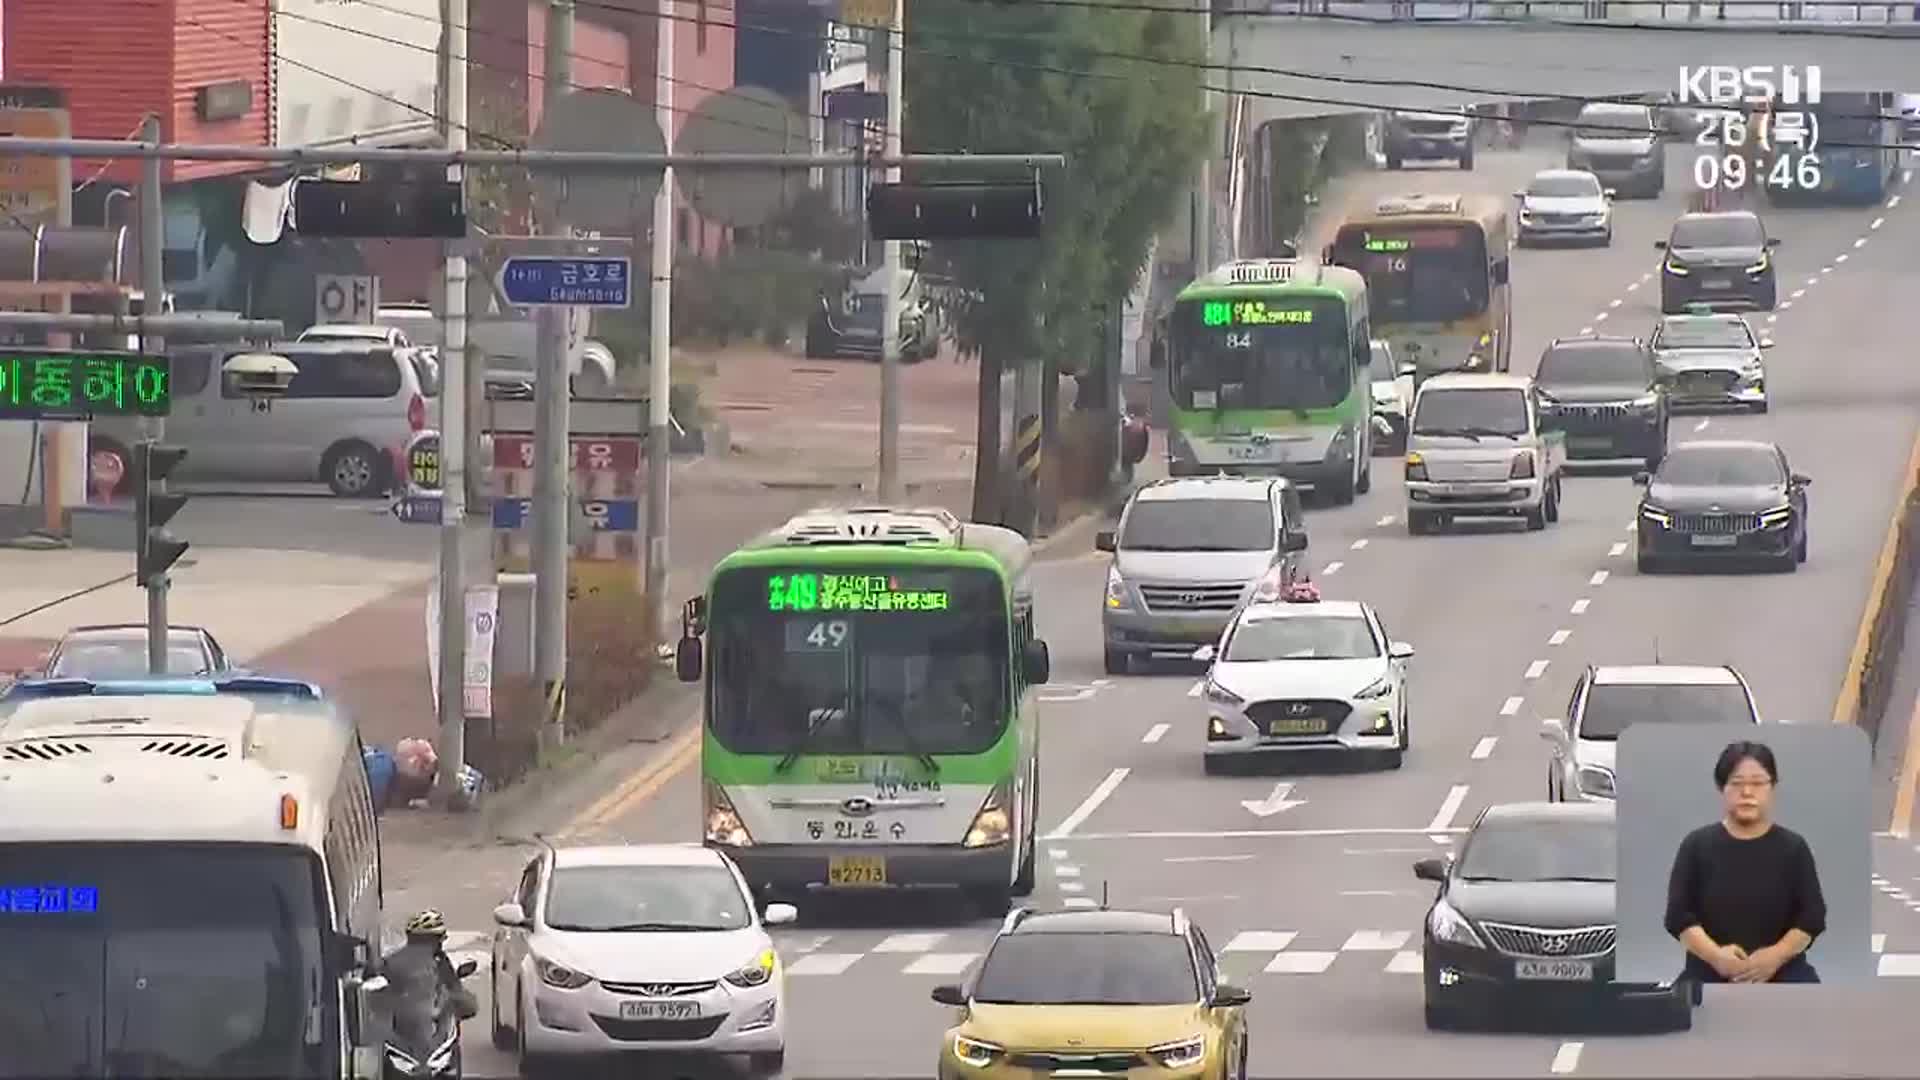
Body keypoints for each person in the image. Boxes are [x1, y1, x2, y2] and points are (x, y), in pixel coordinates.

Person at [1663, 740, 1826, 984]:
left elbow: (1812, 917)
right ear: (1722, 788)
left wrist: (1774, 957)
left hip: (1785, 973)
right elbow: (1678, 916)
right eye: (1737, 783)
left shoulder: (1794, 848)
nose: (1747, 793)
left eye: (1758, 783)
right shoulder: (1696, 845)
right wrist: (1717, 957)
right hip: (1708, 972)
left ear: (1772, 787)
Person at [381, 909, 479, 1050]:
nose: (439, 943)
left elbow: (457, 993)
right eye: (437, 938)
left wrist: (456, 1001)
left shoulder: (440, 962)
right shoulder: (393, 961)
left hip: (432, 1023)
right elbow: (378, 993)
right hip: (401, 1028)